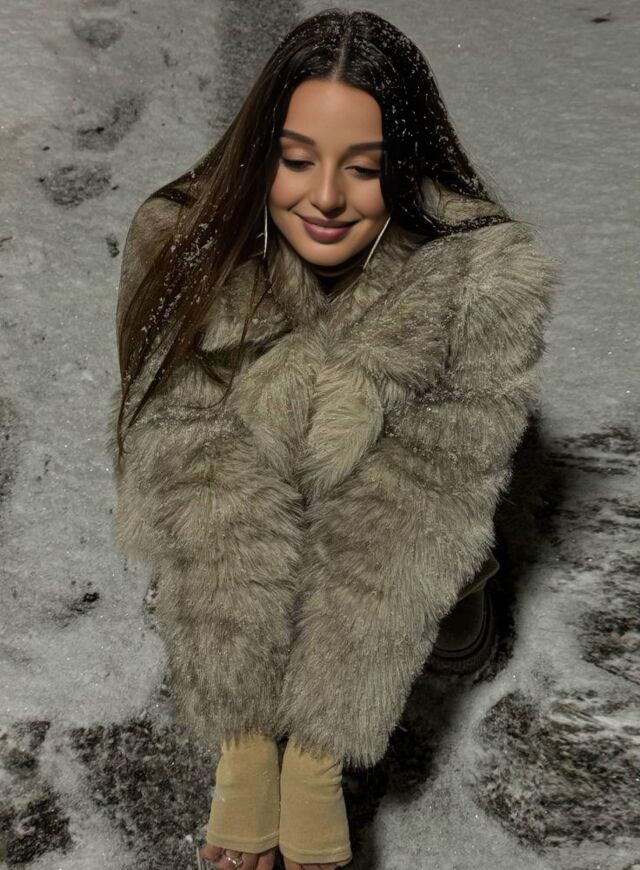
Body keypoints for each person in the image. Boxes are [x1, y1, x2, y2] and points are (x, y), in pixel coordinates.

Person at [106, 9, 561, 870]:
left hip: (394, 521)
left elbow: (426, 492)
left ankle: (461, 592)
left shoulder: (478, 277)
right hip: (260, 493)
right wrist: (245, 745)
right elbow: (187, 463)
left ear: (405, 167)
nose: (324, 197)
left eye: (364, 167)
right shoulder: (184, 240)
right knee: (203, 503)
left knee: (449, 612)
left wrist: (318, 756)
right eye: (296, 159)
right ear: (262, 155)